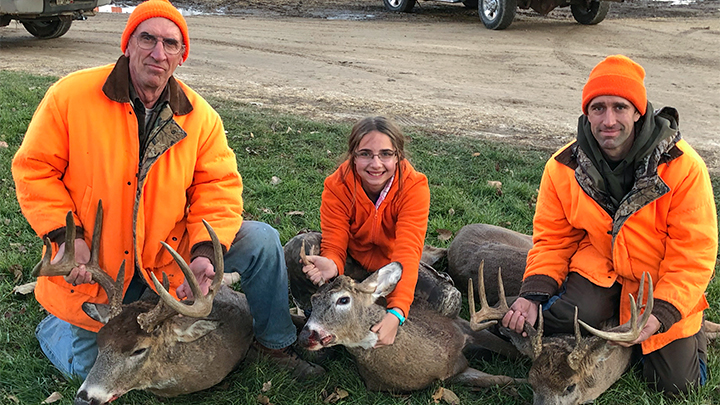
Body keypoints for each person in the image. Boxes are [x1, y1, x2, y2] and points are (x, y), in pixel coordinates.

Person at [12, 0, 322, 381]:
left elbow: (217, 187)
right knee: (91, 371)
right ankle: (56, 326)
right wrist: (67, 237)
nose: (158, 53)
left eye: (170, 44)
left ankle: (274, 345)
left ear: (181, 55)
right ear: (127, 45)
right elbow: (35, 169)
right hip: (99, 269)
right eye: (147, 39)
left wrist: (206, 252)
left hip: (165, 259)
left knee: (261, 239)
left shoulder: (199, 117)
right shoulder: (71, 97)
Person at [501, 55, 717, 395]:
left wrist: (662, 312)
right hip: (599, 269)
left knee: (677, 385)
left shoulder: (683, 168)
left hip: (656, 281)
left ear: (638, 111)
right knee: (542, 322)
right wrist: (532, 294)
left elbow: (694, 254)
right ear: (587, 113)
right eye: (598, 108)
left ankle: (694, 329)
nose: (609, 120)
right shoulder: (564, 166)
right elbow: (553, 241)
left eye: (620, 107)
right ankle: (599, 321)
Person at [284, 116, 460, 348]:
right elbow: (335, 240)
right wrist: (332, 264)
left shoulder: (414, 188)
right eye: (365, 154)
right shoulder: (337, 185)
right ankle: (316, 321)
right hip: (351, 261)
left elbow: (406, 252)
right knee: (299, 249)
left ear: (398, 156)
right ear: (353, 156)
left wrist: (397, 312)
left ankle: (385, 320)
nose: (376, 164)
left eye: (386, 154)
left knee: (447, 302)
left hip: (388, 270)